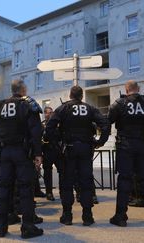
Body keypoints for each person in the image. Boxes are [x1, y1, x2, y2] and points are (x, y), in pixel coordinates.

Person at [45, 85, 110, 226]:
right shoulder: (90, 108)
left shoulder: (63, 108)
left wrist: (57, 144)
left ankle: (67, 215)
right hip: (86, 148)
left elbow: (49, 127)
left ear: (70, 95)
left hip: (68, 148)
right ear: (81, 96)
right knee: (86, 180)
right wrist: (100, 142)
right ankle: (87, 216)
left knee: (67, 181)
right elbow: (105, 123)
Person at [0, 79, 44, 239]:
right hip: (22, 152)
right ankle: (27, 227)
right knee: (25, 188)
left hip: (5, 152)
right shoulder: (28, 104)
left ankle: (1, 226)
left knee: (4, 188)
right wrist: (38, 154)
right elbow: (36, 131)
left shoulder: (0, 105)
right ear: (23, 89)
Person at [108, 80, 144, 227]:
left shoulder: (119, 103)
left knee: (124, 180)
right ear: (138, 88)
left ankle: (120, 216)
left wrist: (100, 141)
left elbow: (107, 121)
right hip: (143, 145)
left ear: (126, 90)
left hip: (125, 146)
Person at [41, 106, 61, 201]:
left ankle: (64, 191)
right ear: (45, 114)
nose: (51, 114)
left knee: (63, 171)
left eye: (52, 112)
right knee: (47, 173)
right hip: (47, 151)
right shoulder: (42, 125)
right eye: (49, 112)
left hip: (57, 150)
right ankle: (49, 193)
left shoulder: (57, 125)